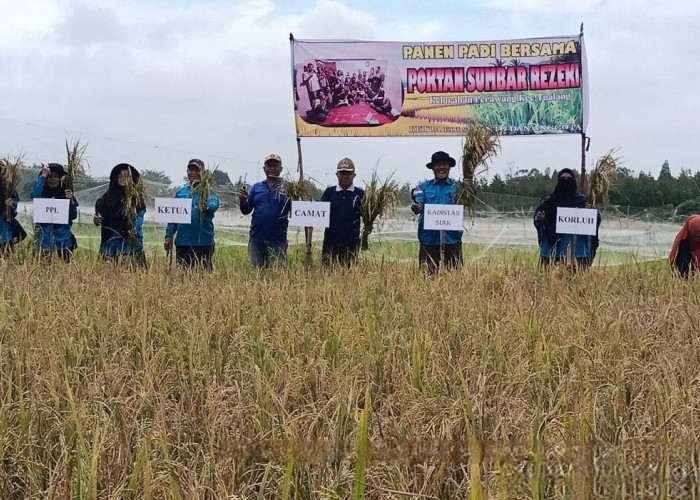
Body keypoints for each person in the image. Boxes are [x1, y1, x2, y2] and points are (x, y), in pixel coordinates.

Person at [410, 151, 466, 274]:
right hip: (429, 239)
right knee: (427, 277)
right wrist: (417, 207)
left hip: (452, 238)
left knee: (455, 278)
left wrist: (469, 187)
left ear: (449, 167)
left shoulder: (459, 187)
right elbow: (418, 199)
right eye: (437, 165)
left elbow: (468, 201)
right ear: (432, 168)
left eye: (444, 164)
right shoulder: (423, 187)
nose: (441, 167)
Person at [534, 168, 600, 270]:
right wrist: (541, 218)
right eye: (563, 178)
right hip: (552, 249)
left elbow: (595, 220)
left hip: (577, 251)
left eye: (569, 178)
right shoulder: (549, 202)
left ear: (573, 181)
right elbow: (538, 219)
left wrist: (590, 211)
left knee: (577, 281)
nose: (566, 181)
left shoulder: (582, 201)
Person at [164, 159, 220, 271]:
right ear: (187, 171)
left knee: (203, 277)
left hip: (203, 242)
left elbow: (214, 204)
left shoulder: (209, 191)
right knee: (184, 278)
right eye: (191, 169)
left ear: (202, 172)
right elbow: (173, 217)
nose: (193, 173)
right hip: (183, 242)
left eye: (196, 170)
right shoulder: (180, 193)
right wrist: (169, 236)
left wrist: (206, 207)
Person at [239, 154, 291, 269]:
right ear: (264, 169)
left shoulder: (287, 188)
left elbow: (296, 209)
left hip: (278, 238)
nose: (272, 168)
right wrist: (243, 201)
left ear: (281, 169)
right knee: (257, 273)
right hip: (257, 238)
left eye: (275, 165)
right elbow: (246, 210)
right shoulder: (256, 188)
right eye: (269, 165)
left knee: (277, 275)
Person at [94, 163, 147, 268]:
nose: (122, 178)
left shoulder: (136, 199)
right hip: (111, 240)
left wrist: (135, 229)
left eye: (126, 176)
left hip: (130, 241)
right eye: (120, 176)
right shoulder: (107, 197)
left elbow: (139, 216)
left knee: (132, 272)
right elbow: (101, 213)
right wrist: (98, 219)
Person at [320, 158, 364, 267]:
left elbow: (367, 217)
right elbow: (319, 214)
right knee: (327, 276)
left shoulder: (361, 194)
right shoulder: (329, 193)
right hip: (330, 243)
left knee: (349, 277)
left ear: (354, 175)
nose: (345, 176)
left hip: (351, 244)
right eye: (342, 173)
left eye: (348, 173)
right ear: (337, 174)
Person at [30, 163, 78, 262]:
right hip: (44, 239)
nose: (52, 179)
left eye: (55, 176)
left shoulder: (66, 194)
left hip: (63, 239)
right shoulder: (41, 192)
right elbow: (34, 195)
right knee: (44, 268)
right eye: (49, 176)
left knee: (66, 270)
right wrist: (43, 176)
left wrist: (71, 201)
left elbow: (73, 215)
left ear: (60, 178)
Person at [0, 167, 24, 257]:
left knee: (5, 258)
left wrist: (10, 205)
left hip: (4, 233)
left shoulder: (8, 189)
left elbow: (13, 211)